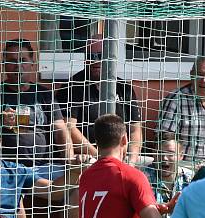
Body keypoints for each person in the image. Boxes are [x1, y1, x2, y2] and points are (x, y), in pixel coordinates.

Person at [54, 34, 143, 165]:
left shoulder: (124, 88)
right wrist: (100, 155)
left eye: (100, 56)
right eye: (91, 56)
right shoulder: (72, 86)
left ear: (111, 58)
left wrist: (132, 159)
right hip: (87, 158)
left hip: (122, 158)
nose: (95, 61)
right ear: (85, 59)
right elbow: (69, 127)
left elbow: (135, 129)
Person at [0, 38, 72, 166]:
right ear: (4, 63)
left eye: (23, 60)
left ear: (32, 62)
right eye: (12, 61)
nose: (17, 66)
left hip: (42, 167)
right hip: (6, 168)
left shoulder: (45, 95)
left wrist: (69, 161)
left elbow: (60, 129)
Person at [157, 58, 205, 166]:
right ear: (191, 75)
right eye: (199, 74)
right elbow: (164, 137)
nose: (204, 80)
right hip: (184, 166)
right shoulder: (176, 99)